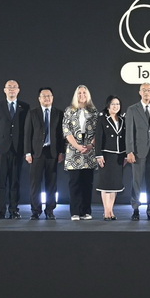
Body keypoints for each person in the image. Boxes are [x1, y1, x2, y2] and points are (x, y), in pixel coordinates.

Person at [0, 80, 30, 220]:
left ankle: (14, 210)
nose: (12, 89)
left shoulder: (25, 106)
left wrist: (26, 149)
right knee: (0, 181)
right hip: (1, 148)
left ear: (18, 90)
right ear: (4, 90)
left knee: (15, 181)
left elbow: (27, 130)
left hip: (18, 148)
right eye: (9, 87)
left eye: (14, 87)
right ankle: (0, 211)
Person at [124, 83, 150, 220]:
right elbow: (129, 132)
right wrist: (129, 151)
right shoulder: (132, 109)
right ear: (139, 92)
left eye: (149, 90)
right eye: (144, 90)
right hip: (137, 152)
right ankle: (135, 209)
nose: (146, 92)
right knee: (136, 182)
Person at [24, 87, 65, 220]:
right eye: (44, 96)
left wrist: (61, 151)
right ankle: (35, 210)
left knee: (51, 183)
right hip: (36, 152)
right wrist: (27, 152)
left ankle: (50, 210)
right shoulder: (33, 113)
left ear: (52, 98)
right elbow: (27, 134)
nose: (47, 98)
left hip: (52, 152)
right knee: (35, 183)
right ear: (39, 98)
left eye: (49, 96)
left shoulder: (59, 113)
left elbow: (61, 135)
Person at [62, 85, 98, 220]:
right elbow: (66, 130)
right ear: (75, 95)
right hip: (74, 152)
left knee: (87, 183)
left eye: (84, 93)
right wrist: (77, 146)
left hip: (89, 151)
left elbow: (98, 131)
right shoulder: (69, 111)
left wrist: (90, 145)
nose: (82, 95)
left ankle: (85, 211)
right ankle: (75, 212)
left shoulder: (94, 111)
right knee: (75, 183)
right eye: (79, 93)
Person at [96, 95, 126, 220]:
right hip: (106, 155)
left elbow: (125, 139)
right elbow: (98, 138)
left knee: (115, 185)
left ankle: (111, 210)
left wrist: (125, 155)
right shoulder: (102, 119)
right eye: (113, 104)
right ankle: (106, 211)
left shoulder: (123, 120)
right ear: (108, 106)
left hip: (119, 155)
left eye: (118, 104)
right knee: (106, 184)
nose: (115, 106)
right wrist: (98, 154)